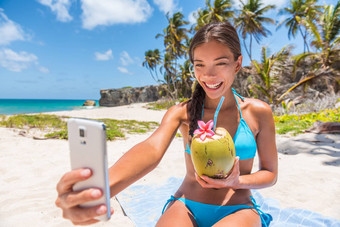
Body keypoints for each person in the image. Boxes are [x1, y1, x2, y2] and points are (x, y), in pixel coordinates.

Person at [55, 22, 278, 226]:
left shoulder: (257, 112)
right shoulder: (182, 112)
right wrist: (102, 188)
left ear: (237, 64)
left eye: (220, 63)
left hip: (238, 209)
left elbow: (269, 174)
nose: (208, 75)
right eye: (199, 65)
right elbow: (151, 148)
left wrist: (237, 180)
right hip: (187, 205)